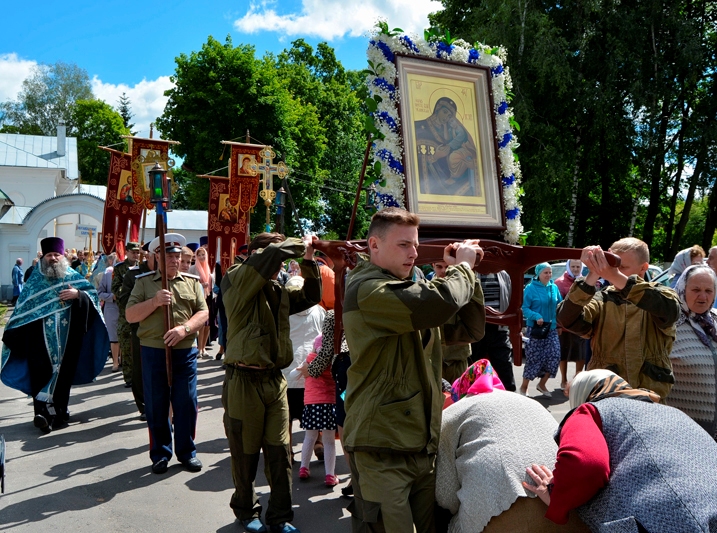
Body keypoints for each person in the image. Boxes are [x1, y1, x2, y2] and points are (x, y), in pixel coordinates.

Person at [342, 207, 485, 533]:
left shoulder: (406, 290)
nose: (414, 253)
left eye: (415, 245)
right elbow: (438, 302)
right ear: (374, 244)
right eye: (404, 244)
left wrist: (462, 275)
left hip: (420, 446)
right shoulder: (367, 289)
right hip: (382, 449)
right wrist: (462, 268)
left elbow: (470, 329)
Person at [524, 369, 717, 531]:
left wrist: (556, 494)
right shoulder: (672, 412)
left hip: (667, 520)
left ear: (582, 394)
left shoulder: (590, 410)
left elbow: (586, 465)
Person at [221, 232, 321, 533]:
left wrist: (308, 259)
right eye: (274, 258)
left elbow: (311, 296)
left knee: (280, 452)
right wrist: (297, 244)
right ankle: (246, 510)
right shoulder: (236, 277)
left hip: (274, 380)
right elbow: (271, 256)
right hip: (243, 380)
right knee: (245, 453)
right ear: (256, 255)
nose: (279, 266)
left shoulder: (277, 289)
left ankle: (280, 516)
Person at [435, 360, 588, 533]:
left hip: (496, 514)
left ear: (458, 392)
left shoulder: (454, 411)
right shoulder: (531, 403)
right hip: (565, 511)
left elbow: (445, 495)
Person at [1, 237, 109, 433]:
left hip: (68, 339)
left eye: (56, 254)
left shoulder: (72, 276)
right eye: (49, 255)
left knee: (64, 375)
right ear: (43, 257)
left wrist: (78, 295)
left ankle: (60, 411)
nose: (53, 258)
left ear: (62, 256)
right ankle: (42, 415)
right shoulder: (34, 281)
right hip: (39, 341)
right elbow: (22, 310)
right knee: (40, 373)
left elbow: (92, 296)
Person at [557, 238, 681, 400]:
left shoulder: (662, 295)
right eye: (612, 265)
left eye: (622, 267)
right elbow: (566, 319)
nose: (612, 271)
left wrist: (614, 275)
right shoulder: (601, 300)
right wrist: (593, 274)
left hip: (650, 401)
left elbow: (669, 310)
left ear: (643, 268)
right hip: (606, 399)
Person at [126, 233, 208, 474]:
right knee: (156, 403)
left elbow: (203, 312)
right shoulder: (144, 283)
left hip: (184, 350)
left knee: (186, 402)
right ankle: (160, 454)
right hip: (154, 350)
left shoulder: (191, 282)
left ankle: (187, 452)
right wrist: (154, 302)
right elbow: (130, 315)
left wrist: (185, 329)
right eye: (168, 256)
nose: (174, 260)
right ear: (157, 257)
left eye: (177, 256)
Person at [666, 264, 717, 439]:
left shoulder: (715, 321)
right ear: (682, 289)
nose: (703, 297)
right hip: (683, 428)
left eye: (708, 291)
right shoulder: (668, 324)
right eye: (696, 290)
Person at [282, 275, 325, 460]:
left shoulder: (283, 313)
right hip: (311, 369)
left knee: (286, 415)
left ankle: (288, 450)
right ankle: (318, 443)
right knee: (315, 410)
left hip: (288, 371)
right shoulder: (319, 311)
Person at [293, 334, 338, 487]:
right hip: (329, 403)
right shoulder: (331, 362)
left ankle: (303, 468)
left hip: (311, 404)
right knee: (329, 441)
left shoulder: (309, 360)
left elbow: (295, 375)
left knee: (309, 437)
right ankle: (330, 475)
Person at [414, 97, 479, 196]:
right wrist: (435, 157)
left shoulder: (450, 133)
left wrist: (470, 163)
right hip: (429, 185)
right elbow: (411, 159)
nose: (446, 117)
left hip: (448, 184)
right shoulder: (418, 127)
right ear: (437, 108)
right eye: (444, 112)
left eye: (449, 116)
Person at [119, 243, 154, 420]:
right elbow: (124, 301)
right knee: (140, 368)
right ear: (149, 255)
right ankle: (144, 405)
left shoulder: (168, 274)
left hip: (163, 329)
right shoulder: (133, 275)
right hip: (139, 327)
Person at [520, 263, 562, 397]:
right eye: (546, 273)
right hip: (536, 329)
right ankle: (524, 387)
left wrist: (560, 325)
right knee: (534, 359)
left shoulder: (554, 287)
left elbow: (560, 306)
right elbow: (524, 308)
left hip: (551, 329)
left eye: (550, 272)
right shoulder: (530, 288)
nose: (549, 275)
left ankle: (542, 384)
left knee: (554, 357)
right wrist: (536, 316)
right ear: (538, 274)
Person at [470, 270, 516, 391]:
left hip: (499, 328)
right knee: (474, 368)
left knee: (504, 366)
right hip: (476, 328)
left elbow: (510, 298)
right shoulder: (471, 272)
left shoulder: (503, 274)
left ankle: (509, 397)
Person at [432, 260, 474, 384]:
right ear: (433, 266)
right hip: (434, 359)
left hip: (457, 358)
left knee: (459, 394)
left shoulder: (464, 288)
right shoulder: (427, 289)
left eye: (447, 267)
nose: (443, 271)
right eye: (439, 267)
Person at [554, 259, 587, 389]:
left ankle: (576, 381)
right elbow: (557, 305)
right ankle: (563, 380)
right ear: (568, 267)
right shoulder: (559, 282)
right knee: (563, 354)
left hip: (581, 325)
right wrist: (558, 325)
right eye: (573, 266)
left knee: (581, 354)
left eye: (578, 267)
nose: (575, 269)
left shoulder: (585, 281)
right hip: (564, 326)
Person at [113, 242, 142, 388]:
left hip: (140, 311)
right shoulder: (119, 268)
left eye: (137, 252)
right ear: (127, 252)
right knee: (125, 345)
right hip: (125, 312)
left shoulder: (142, 268)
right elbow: (115, 288)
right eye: (133, 252)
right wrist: (131, 292)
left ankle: (140, 376)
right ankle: (129, 377)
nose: (136, 255)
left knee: (140, 346)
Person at [97, 253, 120, 372]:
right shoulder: (108, 274)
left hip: (126, 308)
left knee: (125, 336)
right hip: (112, 309)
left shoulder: (129, 273)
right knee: (114, 337)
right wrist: (112, 297)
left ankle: (122, 359)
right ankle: (115, 362)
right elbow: (100, 293)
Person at [189, 246, 214, 358]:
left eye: (203, 255)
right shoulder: (193, 268)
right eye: (199, 255)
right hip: (199, 297)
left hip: (209, 297)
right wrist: (201, 285)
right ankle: (199, 348)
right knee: (201, 324)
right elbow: (190, 282)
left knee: (208, 324)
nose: (201, 257)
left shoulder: (209, 267)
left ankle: (204, 347)